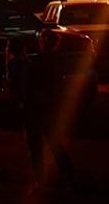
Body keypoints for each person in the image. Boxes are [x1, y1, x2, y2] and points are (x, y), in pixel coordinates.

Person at [17, 30, 79, 191]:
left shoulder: (36, 63)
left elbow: (29, 86)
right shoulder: (57, 61)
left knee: (35, 146)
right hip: (50, 107)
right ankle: (69, 176)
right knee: (54, 143)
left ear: (43, 42)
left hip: (35, 108)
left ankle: (40, 180)